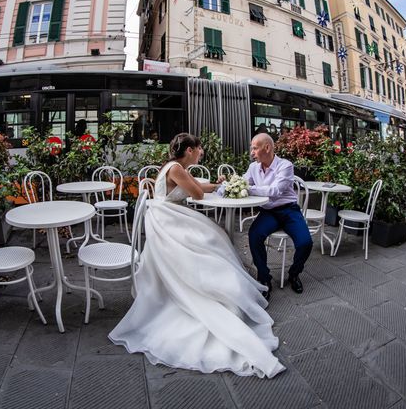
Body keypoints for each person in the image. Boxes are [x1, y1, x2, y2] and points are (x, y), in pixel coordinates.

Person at [110, 133, 285, 378]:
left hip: (168, 216)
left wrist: (220, 185)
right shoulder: (177, 169)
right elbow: (198, 194)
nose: (201, 152)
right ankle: (221, 287)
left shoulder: (176, 168)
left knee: (217, 235)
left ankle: (226, 283)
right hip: (168, 221)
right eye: (199, 149)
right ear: (190, 150)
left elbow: (199, 187)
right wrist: (212, 187)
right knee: (215, 237)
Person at [246, 133, 313, 299]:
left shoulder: (285, 165)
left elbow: (275, 191)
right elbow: (242, 182)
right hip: (268, 212)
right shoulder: (253, 167)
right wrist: (225, 184)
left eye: (255, 148)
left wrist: (249, 189)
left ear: (267, 148)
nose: (252, 152)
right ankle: (264, 277)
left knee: (305, 242)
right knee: (254, 235)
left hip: (289, 210)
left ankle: (294, 274)